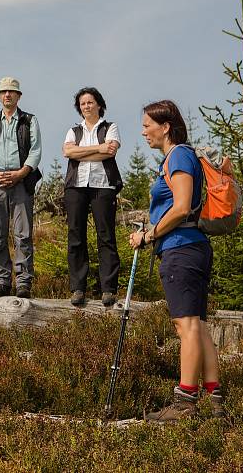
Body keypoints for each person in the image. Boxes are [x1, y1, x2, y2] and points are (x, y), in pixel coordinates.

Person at [129, 100, 224, 422]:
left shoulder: (179, 155)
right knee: (198, 327)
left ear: (165, 126)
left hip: (181, 249)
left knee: (186, 327)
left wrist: (149, 235)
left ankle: (184, 403)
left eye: (146, 125)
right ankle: (216, 403)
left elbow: (182, 207)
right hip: (191, 247)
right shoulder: (179, 156)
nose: (143, 132)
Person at [0, 77, 42, 299]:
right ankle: (2, 281)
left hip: (21, 182)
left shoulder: (29, 121)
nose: (7, 95)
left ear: (18, 96)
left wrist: (21, 173)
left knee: (23, 234)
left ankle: (23, 282)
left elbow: (35, 150)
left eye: (12, 92)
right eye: (3, 92)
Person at [62, 87, 123, 306]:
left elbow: (111, 151)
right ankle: (78, 288)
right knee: (76, 236)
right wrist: (99, 148)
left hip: (103, 186)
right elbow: (68, 152)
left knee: (105, 236)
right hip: (76, 186)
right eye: (82, 103)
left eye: (90, 102)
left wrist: (81, 151)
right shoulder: (73, 130)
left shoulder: (110, 127)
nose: (86, 106)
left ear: (99, 104)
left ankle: (108, 289)